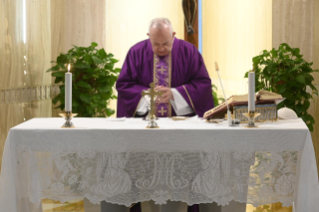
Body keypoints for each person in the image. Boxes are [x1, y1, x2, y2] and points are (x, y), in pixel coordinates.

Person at [102, 18, 215, 212]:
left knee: (186, 177)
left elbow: (203, 84)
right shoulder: (136, 52)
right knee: (140, 176)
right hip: (145, 132)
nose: (161, 49)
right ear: (148, 37)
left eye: (165, 43)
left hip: (181, 132)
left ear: (173, 35)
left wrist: (175, 94)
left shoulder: (189, 52)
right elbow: (123, 85)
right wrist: (147, 97)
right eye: (155, 44)